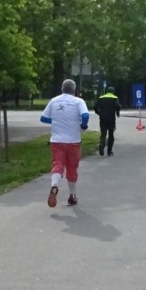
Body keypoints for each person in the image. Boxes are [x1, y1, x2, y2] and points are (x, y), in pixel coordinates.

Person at [40, 79, 89, 207]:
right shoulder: (78, 101)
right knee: (72, 168)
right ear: (74, 90)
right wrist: (83, 125)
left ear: (62, 89)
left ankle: (54, 185)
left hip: (56, 141)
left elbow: (43, 118)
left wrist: (56, 121)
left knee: (57, 164)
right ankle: (72, 195)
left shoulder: (54, 101)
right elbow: (85, 116)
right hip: (73, 141)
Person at [94, 86, 121, 156]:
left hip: (103, 118)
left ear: (107, 91)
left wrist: (99, 113)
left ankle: (102, 144)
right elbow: (118, 106)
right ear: (113, 91)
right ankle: (109, 151)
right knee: (111, 134)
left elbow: (95, 107)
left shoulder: (101, 98)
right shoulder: (115, 98)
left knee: (103, 133)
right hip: (111, 119)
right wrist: (117, 113)